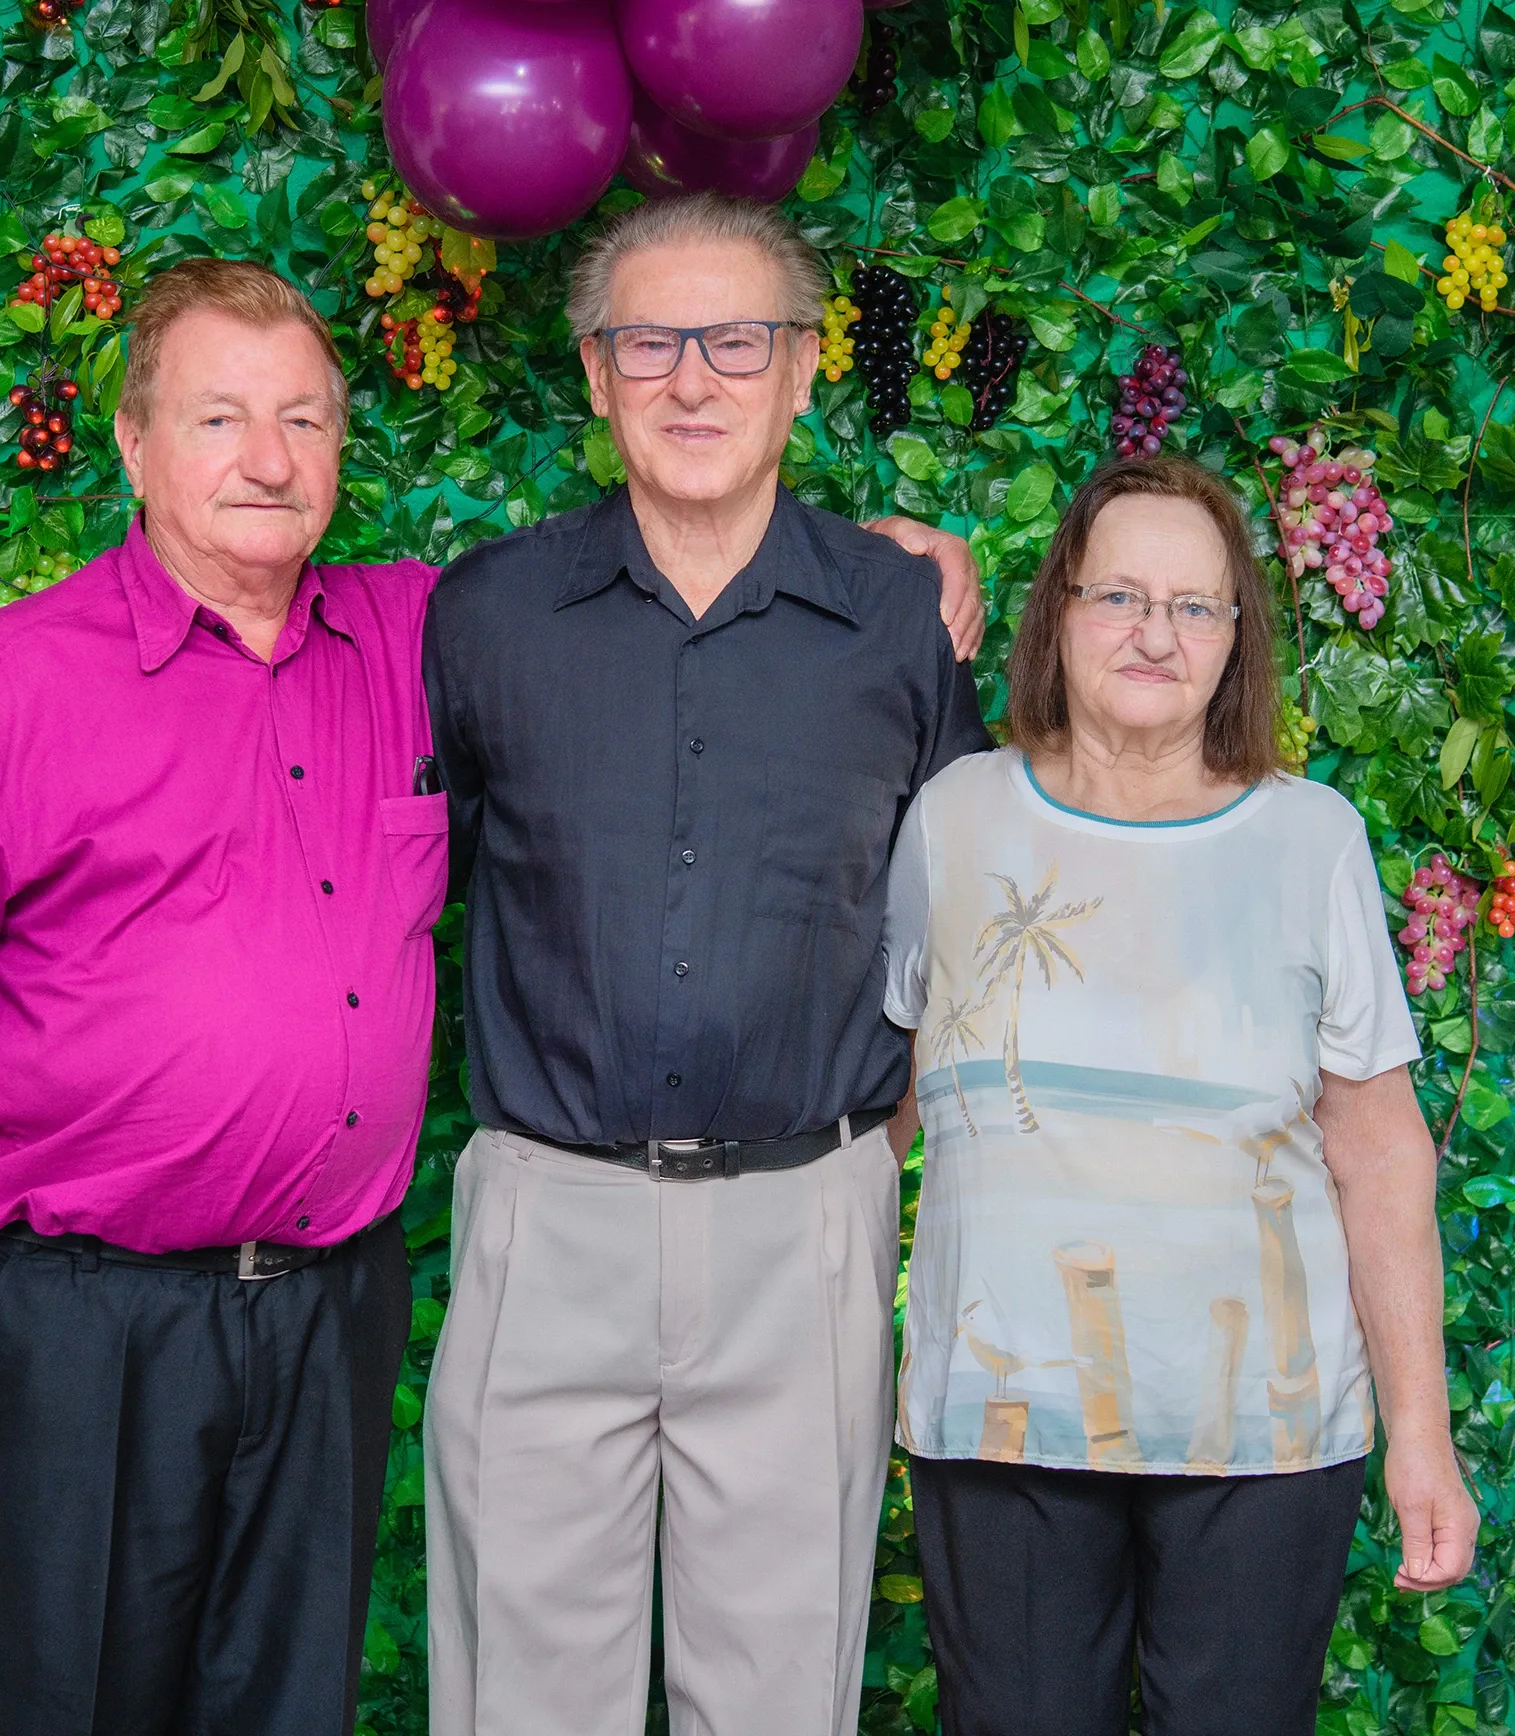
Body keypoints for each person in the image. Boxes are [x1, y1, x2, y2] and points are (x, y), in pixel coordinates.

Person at [0, 256, 983, 1736]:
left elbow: (653, 609)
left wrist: (878, 563)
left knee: (285, 1706)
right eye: (221, 417)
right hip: (80, 1320)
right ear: (131, 440)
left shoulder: (431, 636)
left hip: (323, 1317)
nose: (269, 459)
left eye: (304, 419)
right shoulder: (11, 680)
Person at [422, 192, 995, 1736]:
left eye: (735, 341)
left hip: (802, 1217)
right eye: (648, 343)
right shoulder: (482, 615)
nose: (693, 380)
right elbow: (410, 881)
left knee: (776, 1690)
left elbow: (968, 906)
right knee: (520, 1695)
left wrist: (878, 1151)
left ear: (803, 372)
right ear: (595, 377)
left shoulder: (895, 616)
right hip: (550, 1212)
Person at [879, 453, 1477, 1736]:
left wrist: (1420, 1438)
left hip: (1263, 1442)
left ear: (1234, 640)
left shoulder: (1309, 836)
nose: (1155, 632)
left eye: (1196, 606)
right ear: (1057, 613)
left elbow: (1378, 1150)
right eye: (1119, 597)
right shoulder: (951, 818)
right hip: (1000, 1425)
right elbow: (888, 1115)